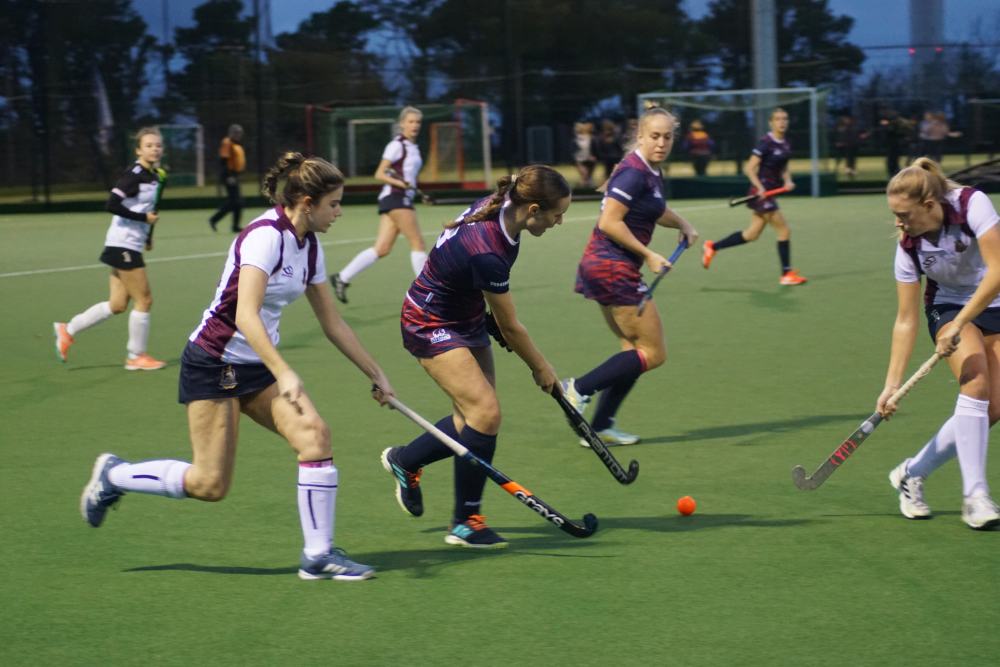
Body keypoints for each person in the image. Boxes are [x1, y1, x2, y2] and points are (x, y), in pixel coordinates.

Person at [80, 152, 397, 580]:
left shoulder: (310, 246)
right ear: (306, 201)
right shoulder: (264, 237)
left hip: (256, 366)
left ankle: (318, 556)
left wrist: (375, 373)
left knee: (315, 436)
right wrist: (284, 371)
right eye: (334, 204)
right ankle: (115, 475)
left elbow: (332, 321)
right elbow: (245, 315)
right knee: (210, 485)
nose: (339, 212)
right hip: (214, 361)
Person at [380, 165, 571, 548]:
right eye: (556, 214)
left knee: (475, 418)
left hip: (464, 313)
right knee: (485, 413)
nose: (560, 221)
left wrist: (490, 322)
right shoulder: (489, 250)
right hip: (428, 318)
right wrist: (542, 368)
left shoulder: (501, 208)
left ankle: (406, 460)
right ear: (532, 209)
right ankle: (465, 522)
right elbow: (513, 327)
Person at [561, 108, 699, 446]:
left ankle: (603, 425)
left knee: (631, 351)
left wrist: (682, 223)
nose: (662, 143)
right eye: (655, 136)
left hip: (604, 265)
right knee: (653, 353)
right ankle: (576, 388)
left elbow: (653, 208)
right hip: (612, 265)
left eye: (667, 137)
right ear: (640, 136)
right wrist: (650, 254)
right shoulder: (634, 173)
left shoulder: (649, 172)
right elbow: (609, 221)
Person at [878, 158, 1000, 531]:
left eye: (904, 214)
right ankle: (975, 496)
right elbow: (906, 319)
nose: (898, 223)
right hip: (946, 305)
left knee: (992, 408)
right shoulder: (908, 245)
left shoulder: (972, 204)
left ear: (929, 206)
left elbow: (998, 271)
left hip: (993, 300)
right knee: (975, 381)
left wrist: (962, 323)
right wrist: (892, 384)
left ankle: (911, 473)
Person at [53, 127, 168, 370]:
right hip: (122, 243)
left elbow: (150, 209)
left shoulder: (158, 176)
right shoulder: (133, 175)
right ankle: (135, 356)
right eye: (149, 145)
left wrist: (149, 235)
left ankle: (68, 330)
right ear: (139, 150)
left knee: (117, 304)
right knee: (144, 300)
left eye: (158, 145)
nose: (154, 149)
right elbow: (111, 204)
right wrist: (142, 221)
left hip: (132, 243)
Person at [330, 107, 428, 303]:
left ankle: (342, 277)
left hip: (399, 198)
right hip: (395, 197)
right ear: (402, 124)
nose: (414, 125)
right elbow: (380, 173)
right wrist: (402, 184)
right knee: (418, 243)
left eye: (417, 122)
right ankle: (426, 294)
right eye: (410, 121)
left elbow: (408, 175)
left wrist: (417, 192)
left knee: (382, 248)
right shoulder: (396, 145)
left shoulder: (413, 147)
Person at [701, 108, 806, 285]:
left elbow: (784, 164)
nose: (782, 122)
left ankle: (712, 246)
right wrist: (760, 188)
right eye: (778, 119)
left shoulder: (787, 142)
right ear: (771, 123)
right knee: (784, 230)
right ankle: (786, 274)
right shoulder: (765, 143)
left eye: (785, 119)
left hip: (771, 192)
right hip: (762, 194)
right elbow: (749, 168)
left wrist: (788, 180)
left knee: (751, 234)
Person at [209, 124, 246, 233]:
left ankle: (234, 225)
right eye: (236, 133)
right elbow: (223, 162)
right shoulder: (227, 143)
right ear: (231, 133)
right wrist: (229, 176)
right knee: (236, 201)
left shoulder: (236, 145)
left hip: (235, 175)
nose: (238, 135)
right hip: (229, 175)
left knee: (237, 201)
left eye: (239, 133)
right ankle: (215, 219)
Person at [593, 120, 624, 184]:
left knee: (613, 172)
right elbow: (600, 148)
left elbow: (619, 146)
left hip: (615, 157)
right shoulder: (602, 137)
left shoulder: (615, 136)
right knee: (609, 172)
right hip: (609, 158)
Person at [573, 122, 597, 188]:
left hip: (588, 157)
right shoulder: (578, 137)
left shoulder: (587, 137)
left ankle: (585, 184)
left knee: (588, 174)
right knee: (585, 174)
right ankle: (589, 184)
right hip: (580, 158)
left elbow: (591, 147)